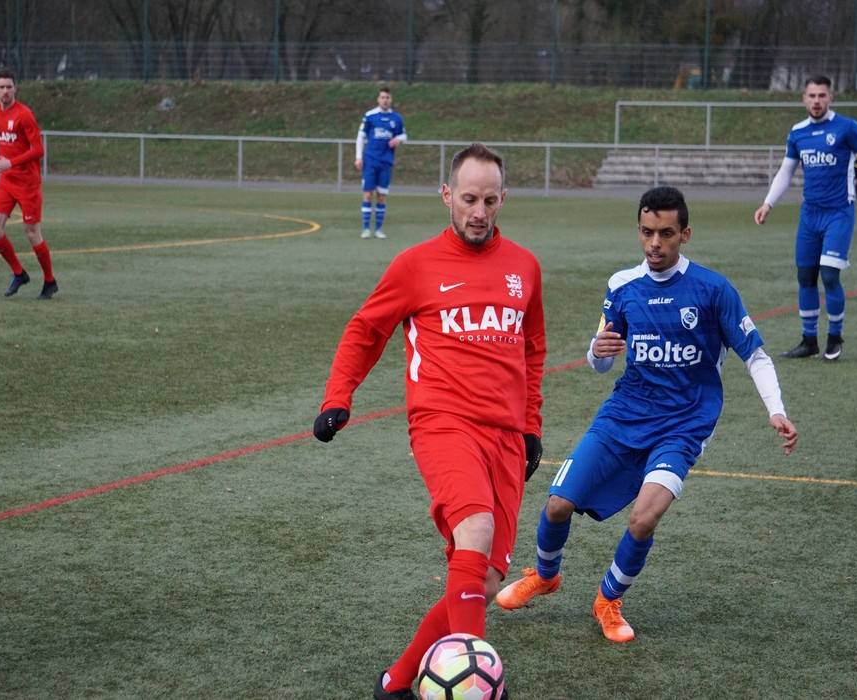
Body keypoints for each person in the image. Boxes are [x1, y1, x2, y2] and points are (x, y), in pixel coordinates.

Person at [496, 186, 798, 645]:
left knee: (643, 518)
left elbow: (754, 354)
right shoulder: (622, 286)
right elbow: (600, 361)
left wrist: (776, 410)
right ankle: (545, 574)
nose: (655, 243)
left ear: (685, 235)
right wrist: (597, 351)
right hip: (624, 414)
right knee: (557, 505)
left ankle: (608, 600)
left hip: (684, 424)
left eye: (666, 234)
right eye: (647, 232)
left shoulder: (713, 289)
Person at [314, 143, 545, 700]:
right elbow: (366, 329)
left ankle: (396, 682)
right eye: (468, 199)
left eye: (490, 200)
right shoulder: (415, 265)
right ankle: (475, 684)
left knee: (484, 581)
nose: (479, 212)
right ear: (446, 195)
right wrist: (338, 396)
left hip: (506, 436)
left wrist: (531, 426)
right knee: (476, 529)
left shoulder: (525, 267)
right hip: (443, 423)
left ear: (503, 198)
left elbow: (532, 350)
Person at [754, 75, 857, 362]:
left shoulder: (846, 127)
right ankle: (809, 340)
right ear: (804, 99)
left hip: (839, 212)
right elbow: (786, 171)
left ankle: (834, 338)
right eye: (812, 96)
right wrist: (768, 203)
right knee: (805, 276)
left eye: (821, 96)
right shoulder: (798, 132)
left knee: (829, 274)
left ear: (830, 98)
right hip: (810, 215)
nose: (816, 101)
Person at [0, 68, 58, 299]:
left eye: (9, 87)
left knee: (32, 234)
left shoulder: (24, 115)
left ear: (15, 88)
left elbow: (39, 150)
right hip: (7, 181)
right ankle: (19, 274)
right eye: (1, 87)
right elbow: (4, 145)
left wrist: (10, 163)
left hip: (28, 183)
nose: (5, 91)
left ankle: (50, 281)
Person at [355, 85, 407, 240]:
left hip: (386, 162)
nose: (385, 100)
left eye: (387, 98)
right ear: (378, 99)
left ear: (391, 99)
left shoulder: (396, 118)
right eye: (382, 97)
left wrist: (398, 139)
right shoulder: (370, 116)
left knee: (381, 196)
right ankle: (366, 229)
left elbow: (404, 135)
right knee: (368, 194)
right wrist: (358, 157)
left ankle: (378, 229)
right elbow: (360, 137)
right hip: (370, 160)